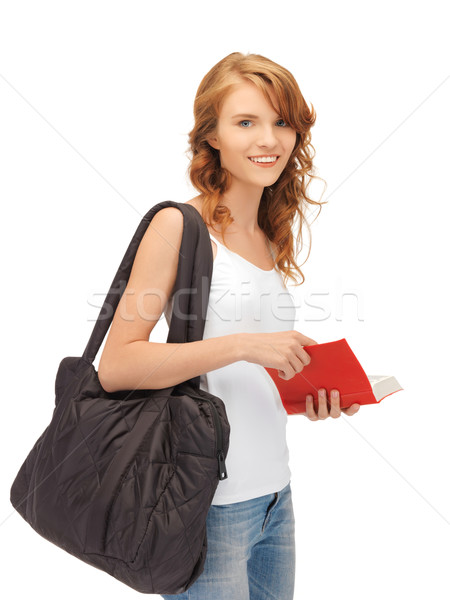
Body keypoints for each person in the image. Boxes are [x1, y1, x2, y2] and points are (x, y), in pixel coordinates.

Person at [98, 51, 361, 600]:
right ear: (212, 134)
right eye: (246, 122)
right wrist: (242, 345)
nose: (270, 139)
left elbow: (245, 379)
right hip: (206, 508)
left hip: (275, 498)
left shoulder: (268, 234)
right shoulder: (178, 225)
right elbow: (117, 366)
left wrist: (309, 391)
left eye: (281, 122)